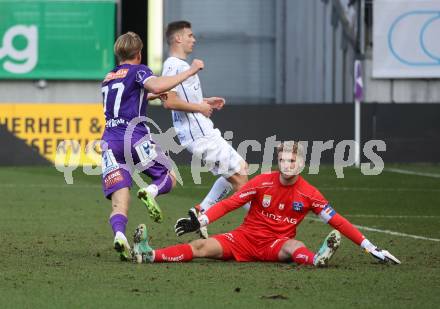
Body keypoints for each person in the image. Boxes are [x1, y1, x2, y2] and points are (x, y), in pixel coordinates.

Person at [132, 142, 401, 266]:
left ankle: (316, 259)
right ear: (278, 162)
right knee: (199, 246)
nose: (287, 165)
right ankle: (148, 254)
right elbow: (231, 203)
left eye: (292, 161)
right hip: (244, 240)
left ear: (302, 164)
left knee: (296, 247)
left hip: (276, 245)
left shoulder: (310, 194)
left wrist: (370, 248)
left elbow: (337, 221)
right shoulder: (262, 182)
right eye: (283, 160)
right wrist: (200, 218)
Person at [101, 31, 204, 260]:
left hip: (110, 142)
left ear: (119, 53)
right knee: (169, 175)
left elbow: (130, 97)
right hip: (134, 137)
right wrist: (191, 70)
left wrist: (151, 97)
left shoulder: (108, 77)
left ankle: (120, 235)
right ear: (139, 53)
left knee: (119, 200)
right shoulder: (140, 70)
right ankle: (150, 191)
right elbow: (156, 85)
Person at [161, 20, 249, 238]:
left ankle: (200, 212)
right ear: (178, 38)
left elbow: (184, 100)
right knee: (240, 180)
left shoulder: (181, 66)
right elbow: (169, 102)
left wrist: (205, 102)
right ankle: (264, 230)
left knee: (241, 167)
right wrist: (199, 107)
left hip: (205, 132)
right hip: (199, 137)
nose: (194, 39)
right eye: (189, 35)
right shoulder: (173, 65)